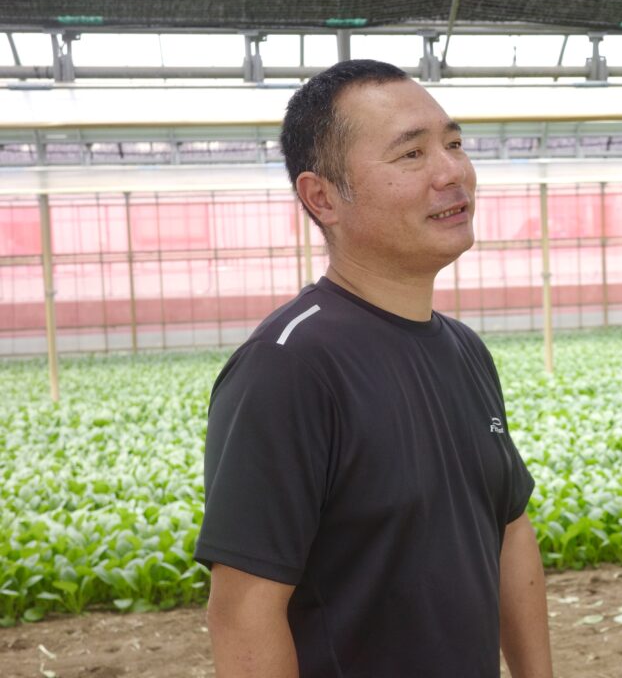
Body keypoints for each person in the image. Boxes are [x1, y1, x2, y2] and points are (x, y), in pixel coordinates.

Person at [194, 59, 553, 678]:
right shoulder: (289, 366)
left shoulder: (465, 350)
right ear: (322, 197)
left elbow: (510, 532)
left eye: (454, 144)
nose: (452, 172)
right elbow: (245, 612)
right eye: (411, 155)